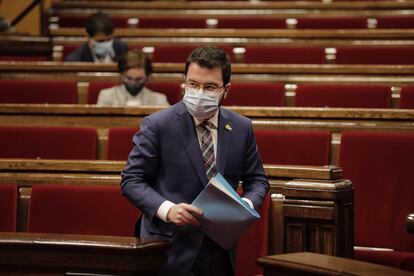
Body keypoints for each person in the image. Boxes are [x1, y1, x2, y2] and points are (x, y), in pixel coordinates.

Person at [121, 46, 269, 276]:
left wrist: (245, 206)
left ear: (225, 90)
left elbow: (258, 180)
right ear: (184, 83)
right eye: (193, 84)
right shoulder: (157, 125)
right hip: (169, 248)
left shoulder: (241, 127)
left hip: (219, 251)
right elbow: (131, 180)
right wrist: (167, 209)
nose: (199, 93)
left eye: (209, 87)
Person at [97, 50, 169, 107]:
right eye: (129, 78)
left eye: (139, 79)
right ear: (121, 75)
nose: (133, 83)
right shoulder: (106, 96)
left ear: (147, 77)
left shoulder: (159, 100)